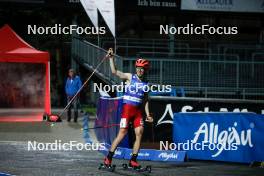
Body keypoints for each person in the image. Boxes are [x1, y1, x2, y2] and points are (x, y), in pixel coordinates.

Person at [103, 48, 153, 168]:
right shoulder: (130, 77)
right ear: (136, 69)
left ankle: (133, 160)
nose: (140, 70)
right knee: (122, 134)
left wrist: (148, 114)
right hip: (127, 111)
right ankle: (108, 158)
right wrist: (111, 58)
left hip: (137, 112)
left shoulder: (146, 83)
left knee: (139, 133)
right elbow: (115, 72)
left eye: (142, 69)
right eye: (138, 68)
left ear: (145, 70)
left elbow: (145, 100)